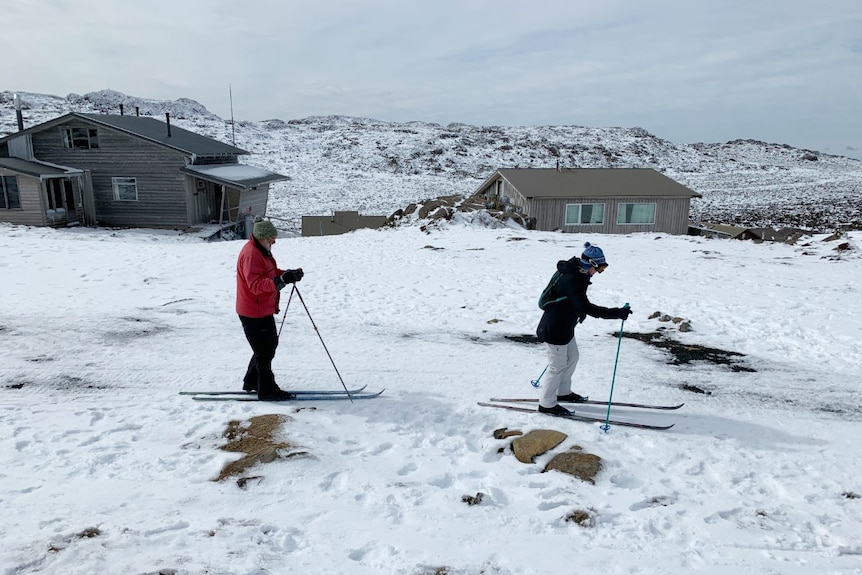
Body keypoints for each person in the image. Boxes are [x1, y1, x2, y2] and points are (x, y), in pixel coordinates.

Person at [535, 242, 632, 415]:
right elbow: (586, 306)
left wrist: (576, 310)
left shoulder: (578, 274)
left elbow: (573, 301)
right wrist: (617, 313)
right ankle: (546, 404)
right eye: (600, 268)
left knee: (573, 357)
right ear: (591, 264)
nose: (599, 272)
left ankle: (563, 392)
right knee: (556, 366)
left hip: (565, 326)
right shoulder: (572, 278)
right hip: (555, 329)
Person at [235, 217, 304, 400]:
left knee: (267, 347)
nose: (274, 241)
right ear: (262, 237)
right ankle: (267, 390)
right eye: (271, 238)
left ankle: (252, 381)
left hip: (261, 309)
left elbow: (269, 274)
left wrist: (287, 274)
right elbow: (255, 285)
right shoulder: (251, 254)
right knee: (264, 351)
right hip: (253, 311)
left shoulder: (261, 250)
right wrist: (279, 281)